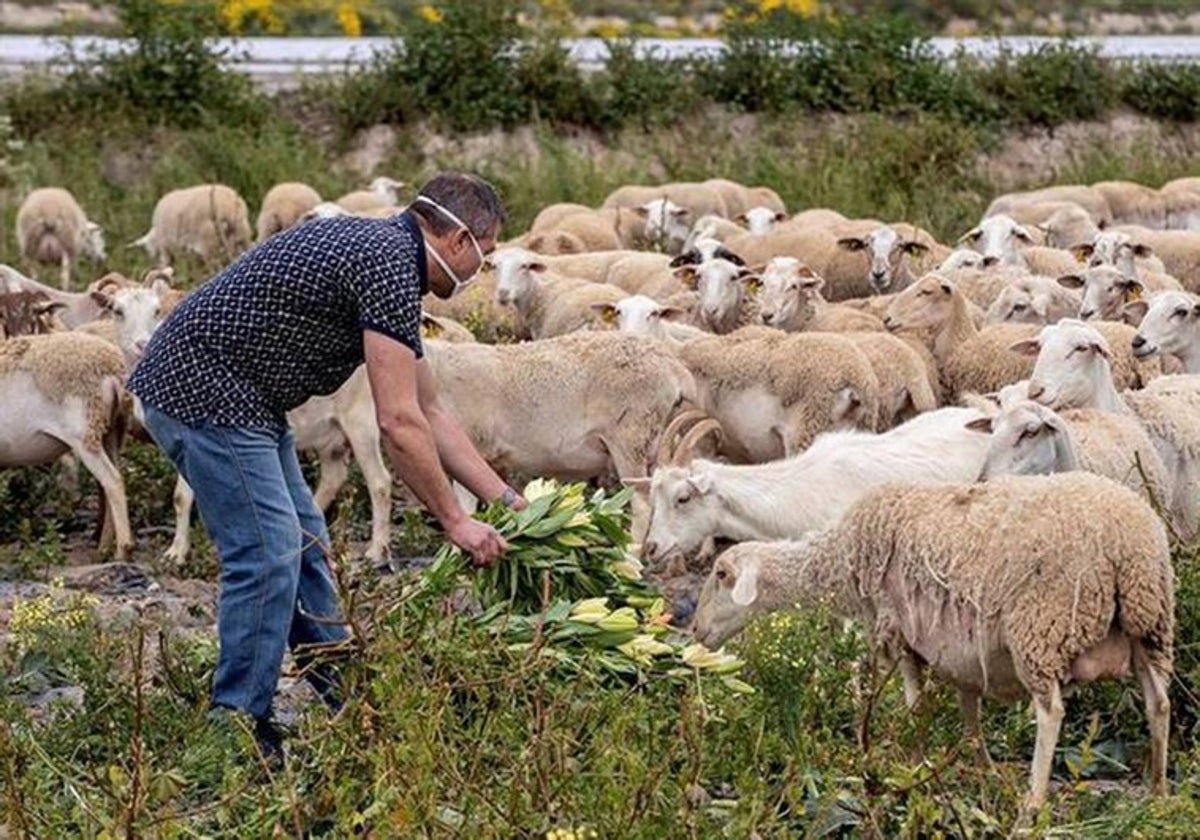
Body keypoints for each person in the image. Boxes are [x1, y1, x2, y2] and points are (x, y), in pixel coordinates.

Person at [128, 171, 523, 758]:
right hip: (203, 390)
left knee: (304, 544)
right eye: (484, 257)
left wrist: (506, 502)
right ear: (459, 240)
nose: (479, 274)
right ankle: (236, 729)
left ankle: (351, 700)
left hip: (247, 399)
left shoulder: (388, 257)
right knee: (267, 553)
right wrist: (455, 521)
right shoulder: (389, 262)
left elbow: (429, 408)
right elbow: (397, 422)